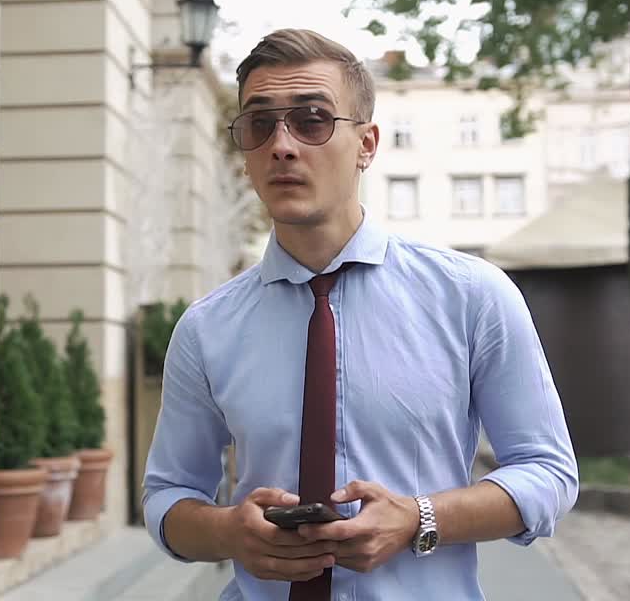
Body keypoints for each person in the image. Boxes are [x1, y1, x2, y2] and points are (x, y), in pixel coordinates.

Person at [141, 29, 578, 601]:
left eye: (313, 119)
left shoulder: (472, 296)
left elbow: (547, 473)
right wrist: (228, 531)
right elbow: (167, 495)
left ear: (367, 144)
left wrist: (419, 518)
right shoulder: (207, 329)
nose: (282, 144)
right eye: (259, 124)